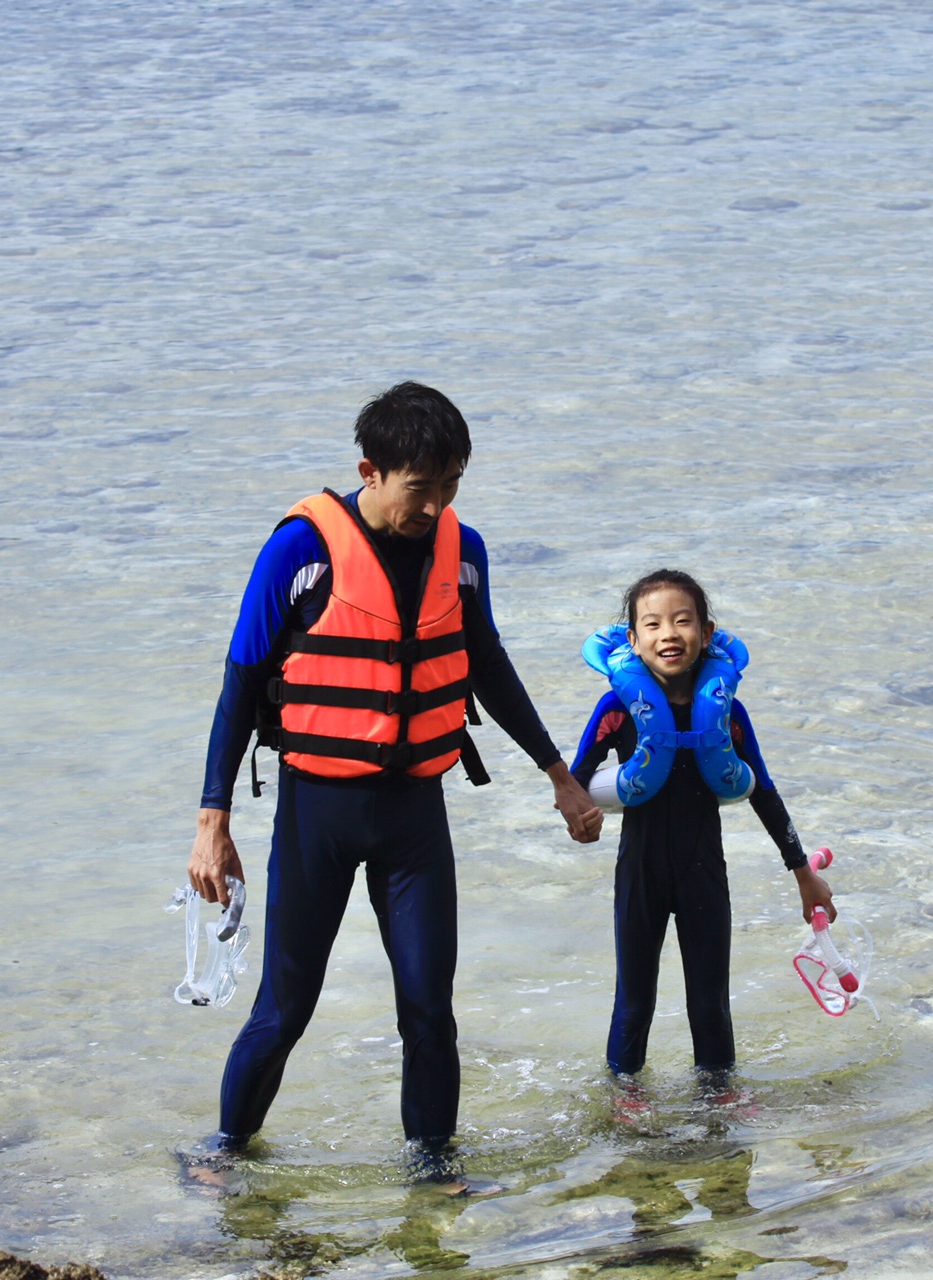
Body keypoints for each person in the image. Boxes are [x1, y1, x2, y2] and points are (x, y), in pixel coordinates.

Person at [187, 382, 602, 1176]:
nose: (435, 506)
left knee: (429, 1010)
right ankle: (225, 1156)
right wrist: (213, 821)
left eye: (451, 487)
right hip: (320, 811)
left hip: (416, 814)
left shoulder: (463, 551)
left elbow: (488, 667)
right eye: (421, 488)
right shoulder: (299, 551)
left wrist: (560, 774)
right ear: (370, 471)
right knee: (285, 1011)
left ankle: (432, 1169)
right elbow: (240, 681)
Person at [569, 569, 831, 1086]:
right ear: (633, 640)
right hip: (639, 871)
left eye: (682, 621)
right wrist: (581, 819)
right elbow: (574, 781)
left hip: (703, 871)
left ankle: (718, 1103)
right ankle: (625, 1099)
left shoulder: (727, 713)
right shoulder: (619, 709)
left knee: (710, 1002)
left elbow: (764, 791)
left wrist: (803, 872)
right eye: (653, 624)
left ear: (707, 634)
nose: (668, 633)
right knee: (634, 1001)